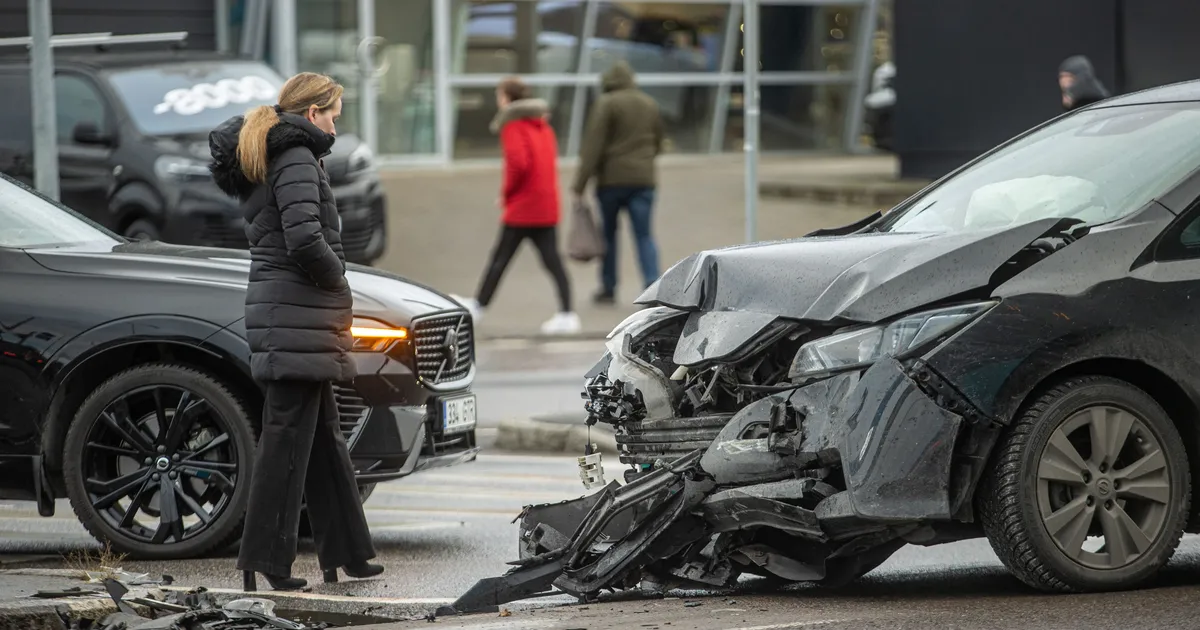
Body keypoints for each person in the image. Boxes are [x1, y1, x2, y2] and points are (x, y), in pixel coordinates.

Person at [208, 72, 383, 592]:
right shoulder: (297, 156)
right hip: (298, 313)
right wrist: (338, 283)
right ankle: (265, 561)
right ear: (312, 114)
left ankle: (347, 553)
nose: (335, 123)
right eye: (333, 114)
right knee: (285, 442)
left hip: (291, 314)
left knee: (324, 439)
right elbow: (305, 238)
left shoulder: (276, 153)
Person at [456, 77, 580, 335]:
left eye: (499, 95)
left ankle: (478, 307)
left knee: (500, 258)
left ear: (507, 98)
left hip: (523, 207)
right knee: (552, 260)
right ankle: (568, 314)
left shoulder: (512, 125)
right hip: (546, 205)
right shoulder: (543, 125)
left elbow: (518, 164)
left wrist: (507, 194)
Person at [572, 61, 664, 305]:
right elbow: (658, 142)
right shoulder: (649, 103)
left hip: (611, 182)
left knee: (609, 236)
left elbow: (593, 147)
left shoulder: (606, 103)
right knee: (644, 235)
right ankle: (653, 287)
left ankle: (608, 287)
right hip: (643, 181)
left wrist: (579, 184)